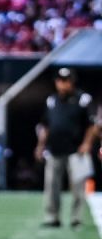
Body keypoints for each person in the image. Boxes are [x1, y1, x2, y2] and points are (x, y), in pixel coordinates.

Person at [36, 68, 99, 228]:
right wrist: (40, 145)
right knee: (51, 185)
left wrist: (86, 143)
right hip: (54, 148)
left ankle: (76, 218)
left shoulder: (82, 99)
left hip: (76, 149)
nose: (63, 84)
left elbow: (92, 125)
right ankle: (52, 217)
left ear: (72, 81)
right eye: (60, 80)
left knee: (78, 185)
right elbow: (46, 126)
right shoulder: (52, 100)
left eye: (66, 80)